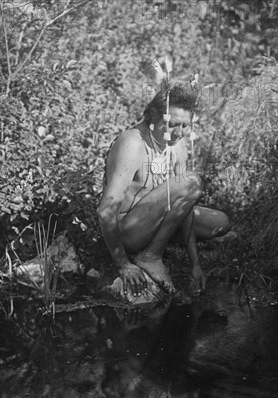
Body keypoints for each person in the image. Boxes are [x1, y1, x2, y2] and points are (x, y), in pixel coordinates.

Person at [97, 81, 229, 299]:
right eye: (172, 124)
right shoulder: (132, 144)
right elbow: (105, 211)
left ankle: (157, 246)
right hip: (129, 231)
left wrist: (194, 263)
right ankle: (150, 256)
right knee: (191, 180)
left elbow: (185, 201)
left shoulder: (177, 145)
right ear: (153, 116)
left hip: (155, 218)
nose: (179, 132)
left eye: (185, 126)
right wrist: (122, 265)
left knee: (220, 223)